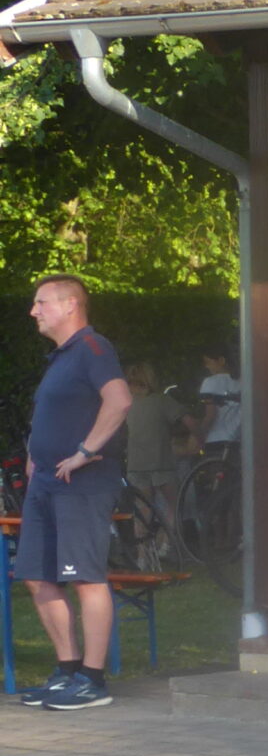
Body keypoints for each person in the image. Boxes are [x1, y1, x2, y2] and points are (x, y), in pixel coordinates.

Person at [14, 276, 131, 711]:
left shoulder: (93, 348)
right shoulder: (61, 357)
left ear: (69, 305)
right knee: (36, 575)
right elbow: (53, 414)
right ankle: (67, 671)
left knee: (85, 577)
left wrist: (85, 451)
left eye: (41, 302)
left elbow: (119, 400)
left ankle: (92, 681)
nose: (34, 311)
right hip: (45, 482)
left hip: (81, 484)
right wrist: (34, 453)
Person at [120, 358, 186, 550]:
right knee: (174, 505)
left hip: (136, 464)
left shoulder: (125, 405)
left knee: (143, 510)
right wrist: (199, 435)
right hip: (162, 463)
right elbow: (188, 421)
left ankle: (143, 556)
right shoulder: (162, 401)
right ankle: (166, 543)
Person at [196, 348, 242, 448]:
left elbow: (210, 415)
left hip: (215, 440)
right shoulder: (242, 382)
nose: (206, 366)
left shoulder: (210, 382)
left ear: (221, 360)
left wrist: (198, 435)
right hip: (238, 440)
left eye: (208, 362)